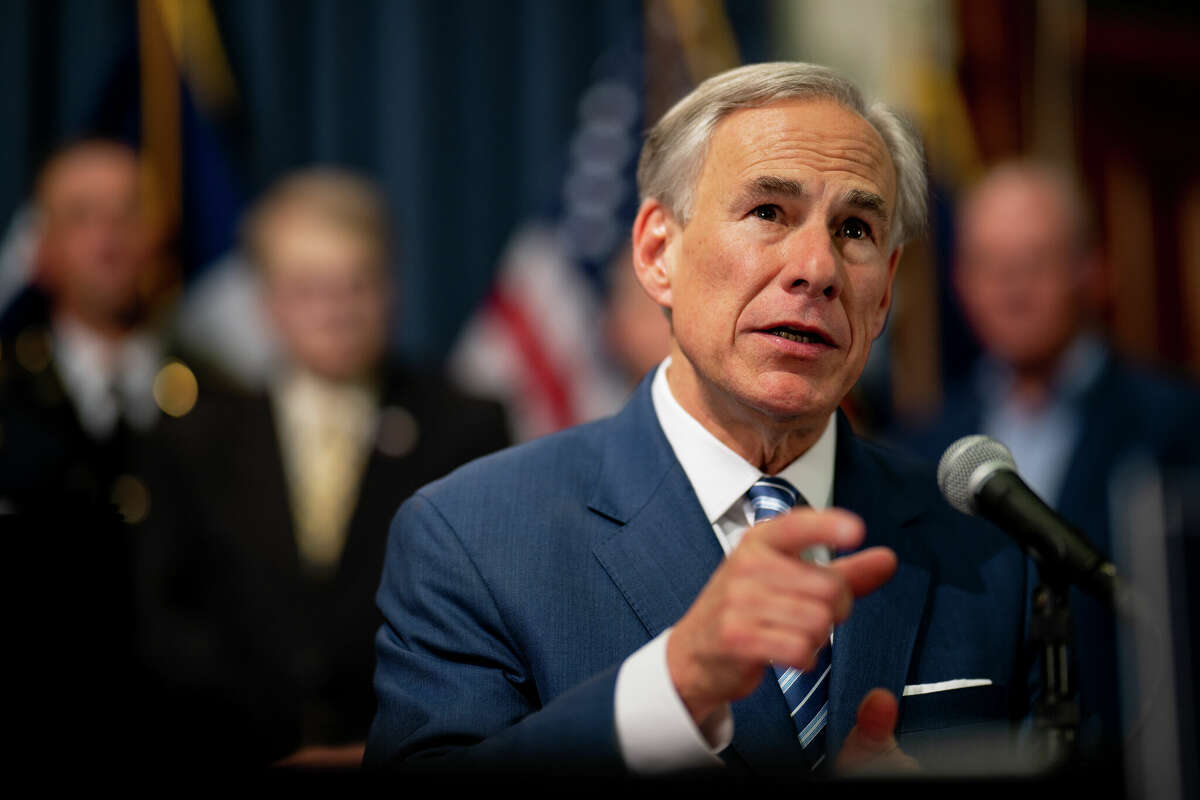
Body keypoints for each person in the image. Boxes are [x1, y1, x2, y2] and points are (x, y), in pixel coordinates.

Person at [366, 62, 1031, 776]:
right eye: (769, 212)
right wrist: (670, 692)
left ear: (885, 293)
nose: (818, 266)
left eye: (855, 228)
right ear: (658, 253)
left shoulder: (988, 549)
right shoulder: (473, 538)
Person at [136, 169, 510, 766]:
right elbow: (162, 621)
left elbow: (488, 619)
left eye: (355, 285)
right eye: (309, 289)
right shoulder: (192, 436)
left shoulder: (465, 425)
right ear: (267, 301)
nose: (335, 310)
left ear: (390, 288)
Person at [896, 160, 1200, 754]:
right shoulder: (923, 448)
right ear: (961, 281)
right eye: (989, 266)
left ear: (1094, 270)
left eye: (1034, 263)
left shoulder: (1176, 424)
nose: (1011, 289)